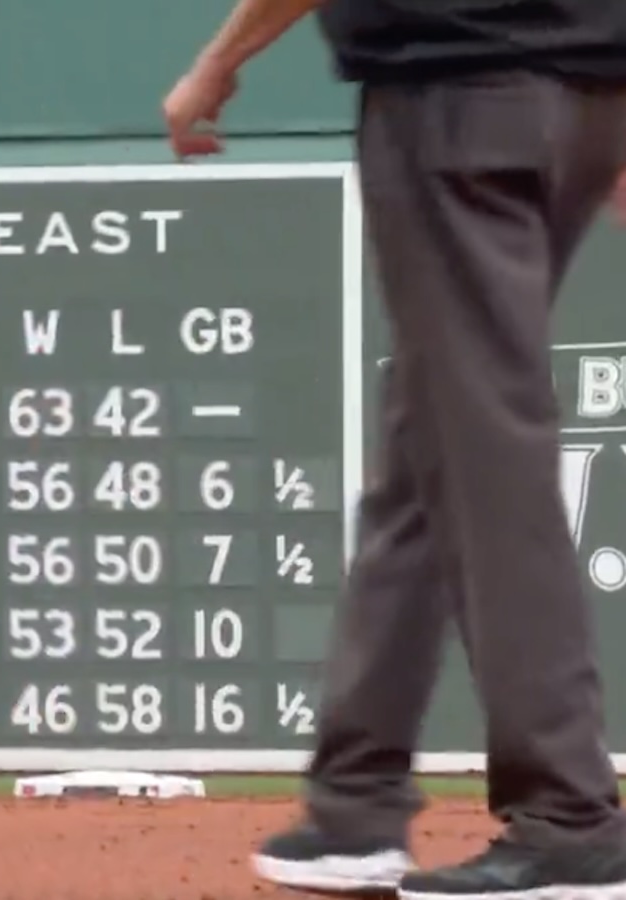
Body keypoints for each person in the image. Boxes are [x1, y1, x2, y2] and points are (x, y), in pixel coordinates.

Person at [164, 1, 626, 897]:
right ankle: (354, 803)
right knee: (431, 438)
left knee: (486, 441)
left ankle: (569, 816)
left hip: (456, 96)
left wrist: (218, 61)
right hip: (587, 97)